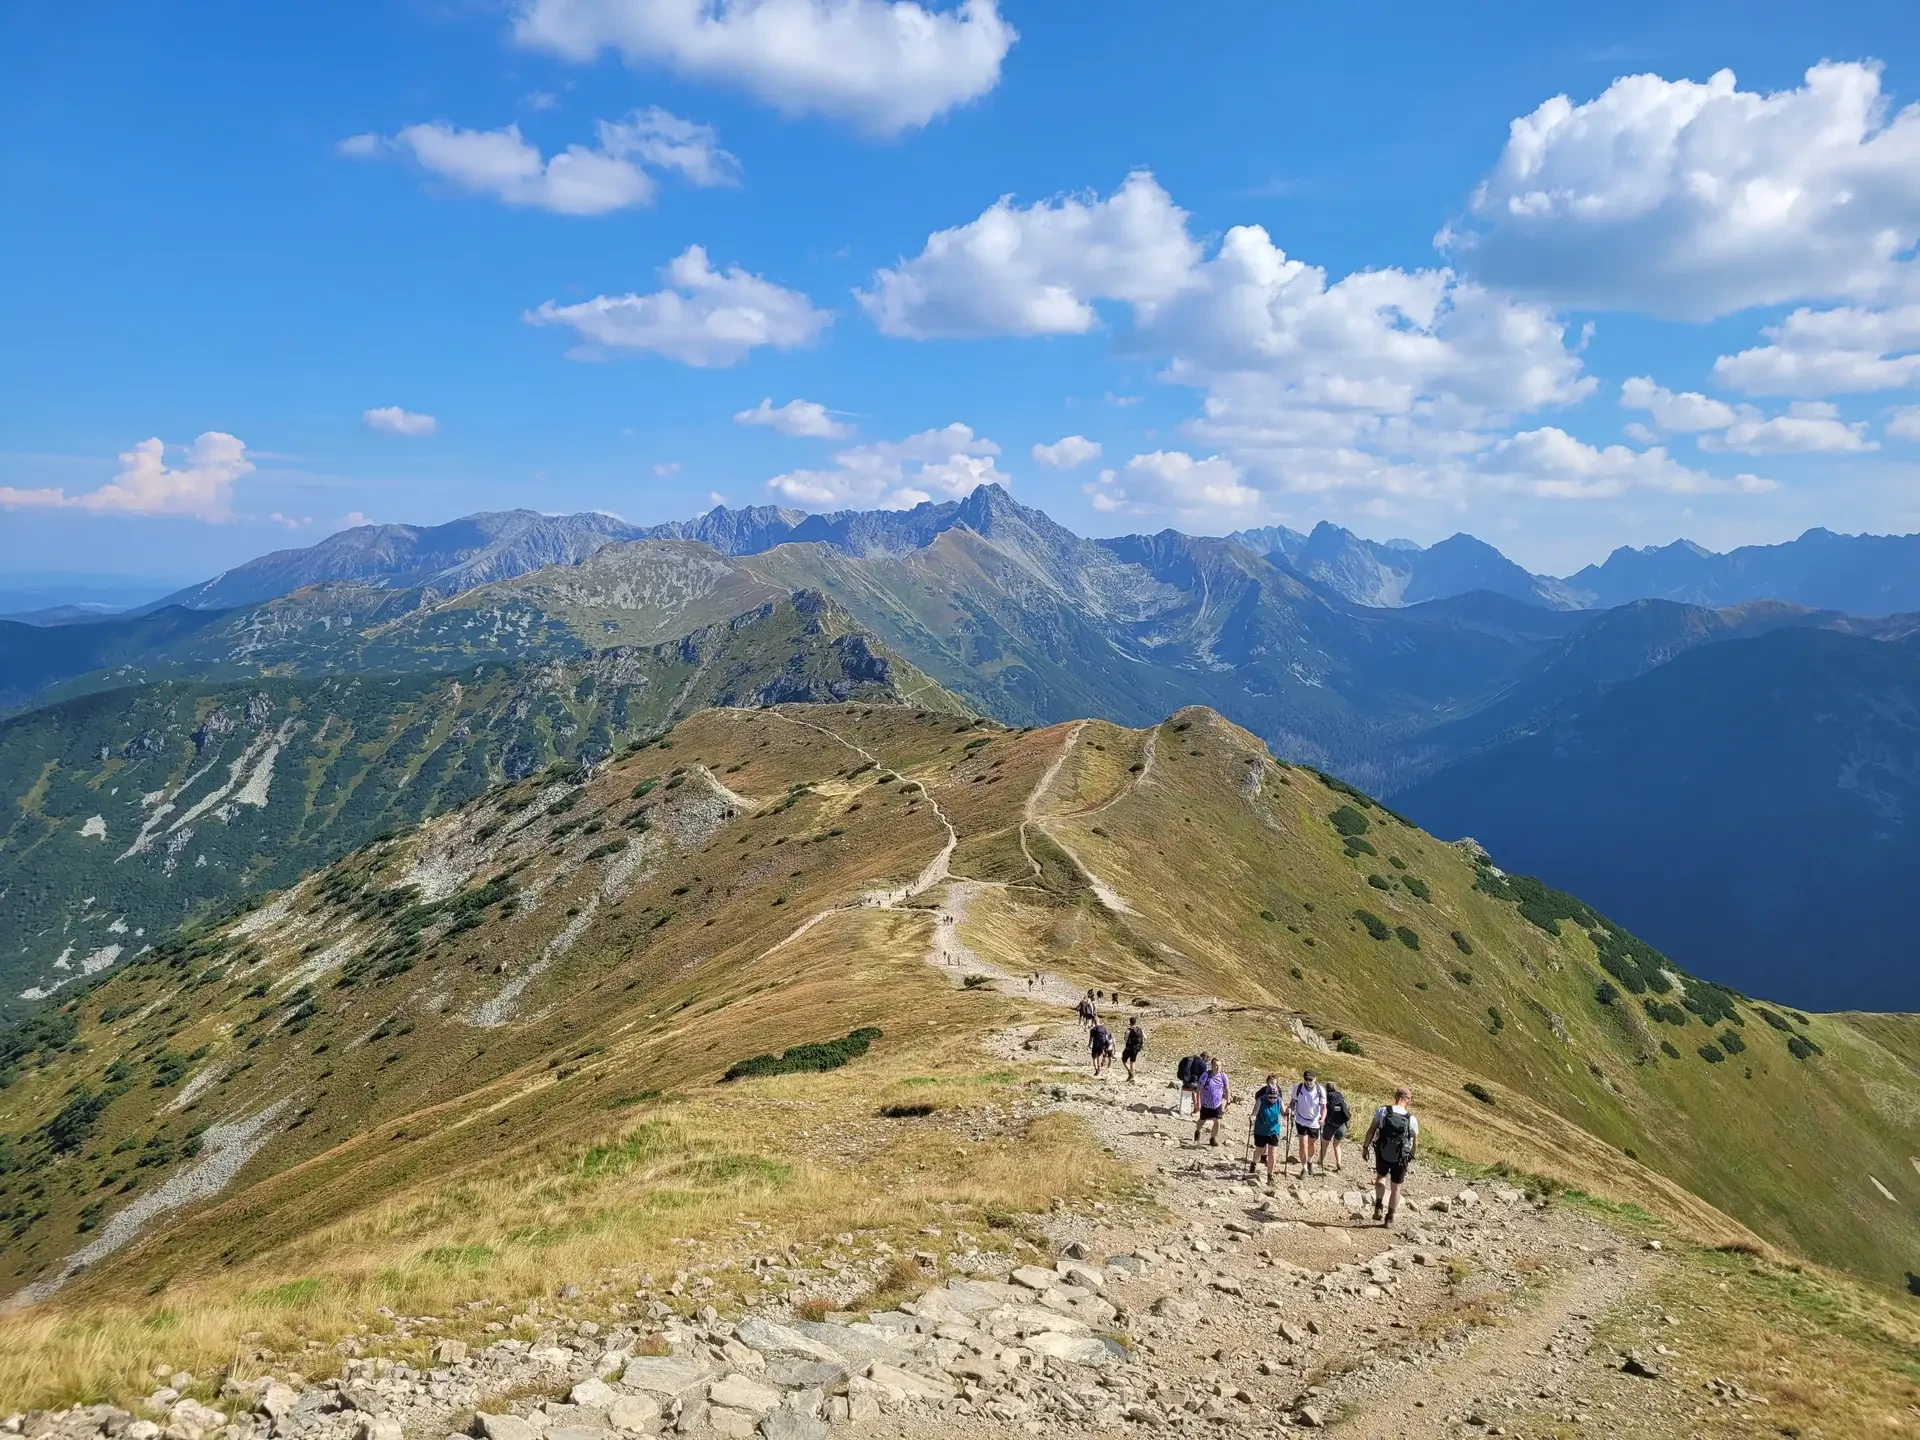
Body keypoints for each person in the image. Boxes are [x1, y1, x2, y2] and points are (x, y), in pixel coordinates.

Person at [1363, 1086, 1419, 1226]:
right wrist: (1411, 1155)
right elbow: (1415, 1141)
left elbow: (1371, 1130)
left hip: (1383, 1151)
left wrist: (1365, 1147)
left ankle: (1379, 1206)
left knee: (1381, 1177)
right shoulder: (1411, 1119)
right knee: (1396, 1187)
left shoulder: (1382, 1111)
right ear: (1408, 1101)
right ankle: (1390, 1218)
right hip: (1401, 1156)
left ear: (1395, 1097)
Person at [1290, 1069, 1328, 1177]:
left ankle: (1310, 1161)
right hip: (1300, 1120)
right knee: (1303, 1143)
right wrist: (1291, 1112)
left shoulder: (1320, 1090)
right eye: (1306, 1079)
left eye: (1310, 1079)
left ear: (1315, 1079)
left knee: (1312, 1144)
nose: (1308, 1081)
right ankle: (1304, 1168)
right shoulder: (1297, 1088)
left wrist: (1322, 1119)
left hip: (1314, 1121)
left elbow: (1324, 1107)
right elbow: (1293, 1102)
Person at [1250, 1074, 1285, 1186]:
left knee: (1272, 1153)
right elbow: (1254, 1113)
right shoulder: (1260, 1100)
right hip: (1261, 1130)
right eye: (1270, 1097)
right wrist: (1252, 1117)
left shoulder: (1279, 1101)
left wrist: (1289, 1114)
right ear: (1266, 1095)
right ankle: (1254, 1162)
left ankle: (1270, 1175)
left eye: (1274, 1098)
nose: (1272, 1100)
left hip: (1274, 1130)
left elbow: (1284, 1114)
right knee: (1259, 1151)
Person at [1193, 1057, 1231, 1146]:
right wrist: (1197, 1103)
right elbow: (1198, 1089)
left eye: (1220, 1066)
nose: (1218, 1068)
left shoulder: (1223, 1076)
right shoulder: (1206, 1075)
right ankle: (1197, 1131)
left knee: (1217, 1122)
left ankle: (1212, 1138)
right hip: (1206, 1104)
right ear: (1212, 1066)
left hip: (1217, 1104)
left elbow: (1227, 1090)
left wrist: (1228, 1103)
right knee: (1202, 1120)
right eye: (1216, 1066)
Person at [1321, 1080, 1351, 1172]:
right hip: (1341, 1125)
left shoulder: (1326, 1097)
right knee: (1336, 1145)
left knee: (1325, 1144)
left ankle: (1320, 1161)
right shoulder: (1341, 1096)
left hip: (1330, 1125)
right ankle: (1339, 1163)